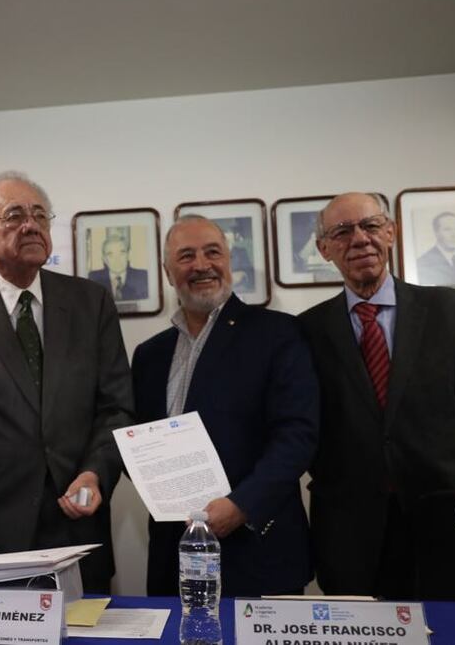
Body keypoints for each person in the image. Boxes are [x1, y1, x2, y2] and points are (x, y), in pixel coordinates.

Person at [0, 171, 134, 593]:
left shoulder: (91, 302)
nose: (32, 225)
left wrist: (94, 472)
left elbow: (117, 407)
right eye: (14, 215)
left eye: (39, 214)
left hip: (77, 526)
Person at [300, 192, 455, 600]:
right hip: (352, 537)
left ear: (390, 232)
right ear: (324, 249)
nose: (360, 239)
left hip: (449, 527)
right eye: (342, 231)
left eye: (371, 225)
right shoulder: (304, 332)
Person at [132, 215, 319, 597]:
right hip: (174, 553)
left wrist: (241, 505)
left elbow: (298, 435)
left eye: (212, 252)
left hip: (257, 550)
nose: (201, 265)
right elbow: (137, 441)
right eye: (186, 256)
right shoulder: (149, 355)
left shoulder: (277, 333)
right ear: (169, 273)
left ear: (229, 262)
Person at [87, 234, 149, 301]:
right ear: (104, 259)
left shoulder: (144, 277)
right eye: (110, 254)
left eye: (122, 253)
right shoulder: (93, 278)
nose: (117, 259)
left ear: (128, 255)